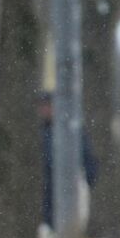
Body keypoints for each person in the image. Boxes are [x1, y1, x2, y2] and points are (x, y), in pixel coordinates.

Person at [38, 92, 98, 230]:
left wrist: (90, 175)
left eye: (47, 106)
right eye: (42, 106)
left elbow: (86, 153)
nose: (44, 110)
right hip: (44, 182)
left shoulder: (70, 128)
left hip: (64, 181)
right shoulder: (39, 130)